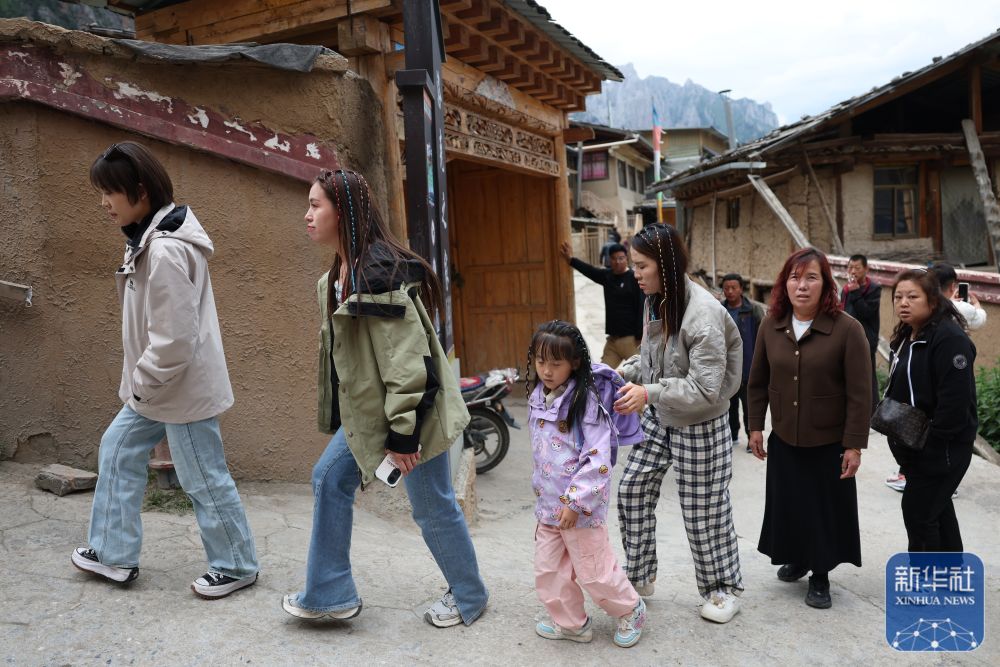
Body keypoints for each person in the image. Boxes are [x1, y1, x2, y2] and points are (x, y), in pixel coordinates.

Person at [281, 169, 488, 628]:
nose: (307, 215)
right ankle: (329, 594)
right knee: (329, 480)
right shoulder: (336, 277)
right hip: (374, 416)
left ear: (343, 212)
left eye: (315, 205)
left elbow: (408, 365)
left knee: (431, 505)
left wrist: (403, 437)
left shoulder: (377, 277)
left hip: (413, 414)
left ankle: (470, 596)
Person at [72, 141, 259, 598]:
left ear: (140, 191)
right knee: (118, 449)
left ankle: (236, 565)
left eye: (109, 192)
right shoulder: (148, 240)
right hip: (159, 387)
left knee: (202, 475)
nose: (103, 203)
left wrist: (142, 381)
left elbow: (175, 340)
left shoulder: (166, 250)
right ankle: (113, 553)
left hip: (179, 389)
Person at [614, 223, 745, 624]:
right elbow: (655, 357)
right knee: (632, 489)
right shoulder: (655, 299)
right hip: (660, 414)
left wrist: (648, 392)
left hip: (701, 422)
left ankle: (722, 589)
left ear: (666, 265)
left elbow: (705, 389)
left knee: (704, 510)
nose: (635, 273)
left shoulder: (703, 315)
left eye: (642, 266)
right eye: (634, 265)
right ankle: (640, 575)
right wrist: (625, 371)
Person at [747, 247, 870, 610]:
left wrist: (854, 445)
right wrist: (755, 426)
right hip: (785, 436)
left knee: (821, 511)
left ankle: (820, 574)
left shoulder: (847, 329)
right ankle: (798, 559)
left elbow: (861, 394)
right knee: (790, 505)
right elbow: (757, 381)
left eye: (811, 278)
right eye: (795, 278)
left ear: (826, 284)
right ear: (784, 284)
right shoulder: (771, 325)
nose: (802, 286)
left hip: (828, 441)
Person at [527, 320, 647, 648]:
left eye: (556, 363)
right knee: (549, 570)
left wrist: (575, 502)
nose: (546, 371)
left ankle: (631, 610)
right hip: (549, 508)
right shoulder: (538, 396)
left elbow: (597, 459)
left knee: (595, 572)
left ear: (575, 362)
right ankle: (572, 623)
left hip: (582, 509)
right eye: (540, 361)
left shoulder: (586, 402)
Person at [885, 269, 977, 552]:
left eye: (913, 297)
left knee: (919, 512)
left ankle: (925, 576)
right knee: (937, 509)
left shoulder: (949, 339)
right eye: (898, 297)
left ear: (933, 301)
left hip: (943, 446)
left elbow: (955, 403)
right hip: (915, 445)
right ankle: (950, 573)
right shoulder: (908, 335)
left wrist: (931, 447)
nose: (904, 303)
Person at [560, 240, 644, 368]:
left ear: (627, 259)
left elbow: (642, 307)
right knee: (601, 375)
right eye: (614, 259)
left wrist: (640, 335)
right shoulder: (607, 276)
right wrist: (571, 260)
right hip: (613, 341)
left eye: (621, 258)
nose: (618, 262)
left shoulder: (634, 278)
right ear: (609, 260)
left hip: (631, 340)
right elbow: (589, 271)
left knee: (642, 373)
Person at [720, 273, 765, 452]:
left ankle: (751, 438)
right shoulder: (719, 309)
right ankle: (732, 435)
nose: (730, 291)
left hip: (748, 367)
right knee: (729, 406)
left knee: (749, 407)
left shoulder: (753, 310)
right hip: (726, 369)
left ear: (741, 289)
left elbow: (762, 338)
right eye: (726, 288)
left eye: (734, 288)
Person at [839, 254, 880, 411]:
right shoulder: (846, 290)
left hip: (867, 339)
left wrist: (856, 292)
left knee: (868, 377)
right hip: (847, 338)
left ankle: (872, 412)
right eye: (850, 267)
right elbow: (843, 311)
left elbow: (867, 313)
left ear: (866, 269)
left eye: (857, 268)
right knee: (847, 375)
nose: (853, 271)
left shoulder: (874, 289)